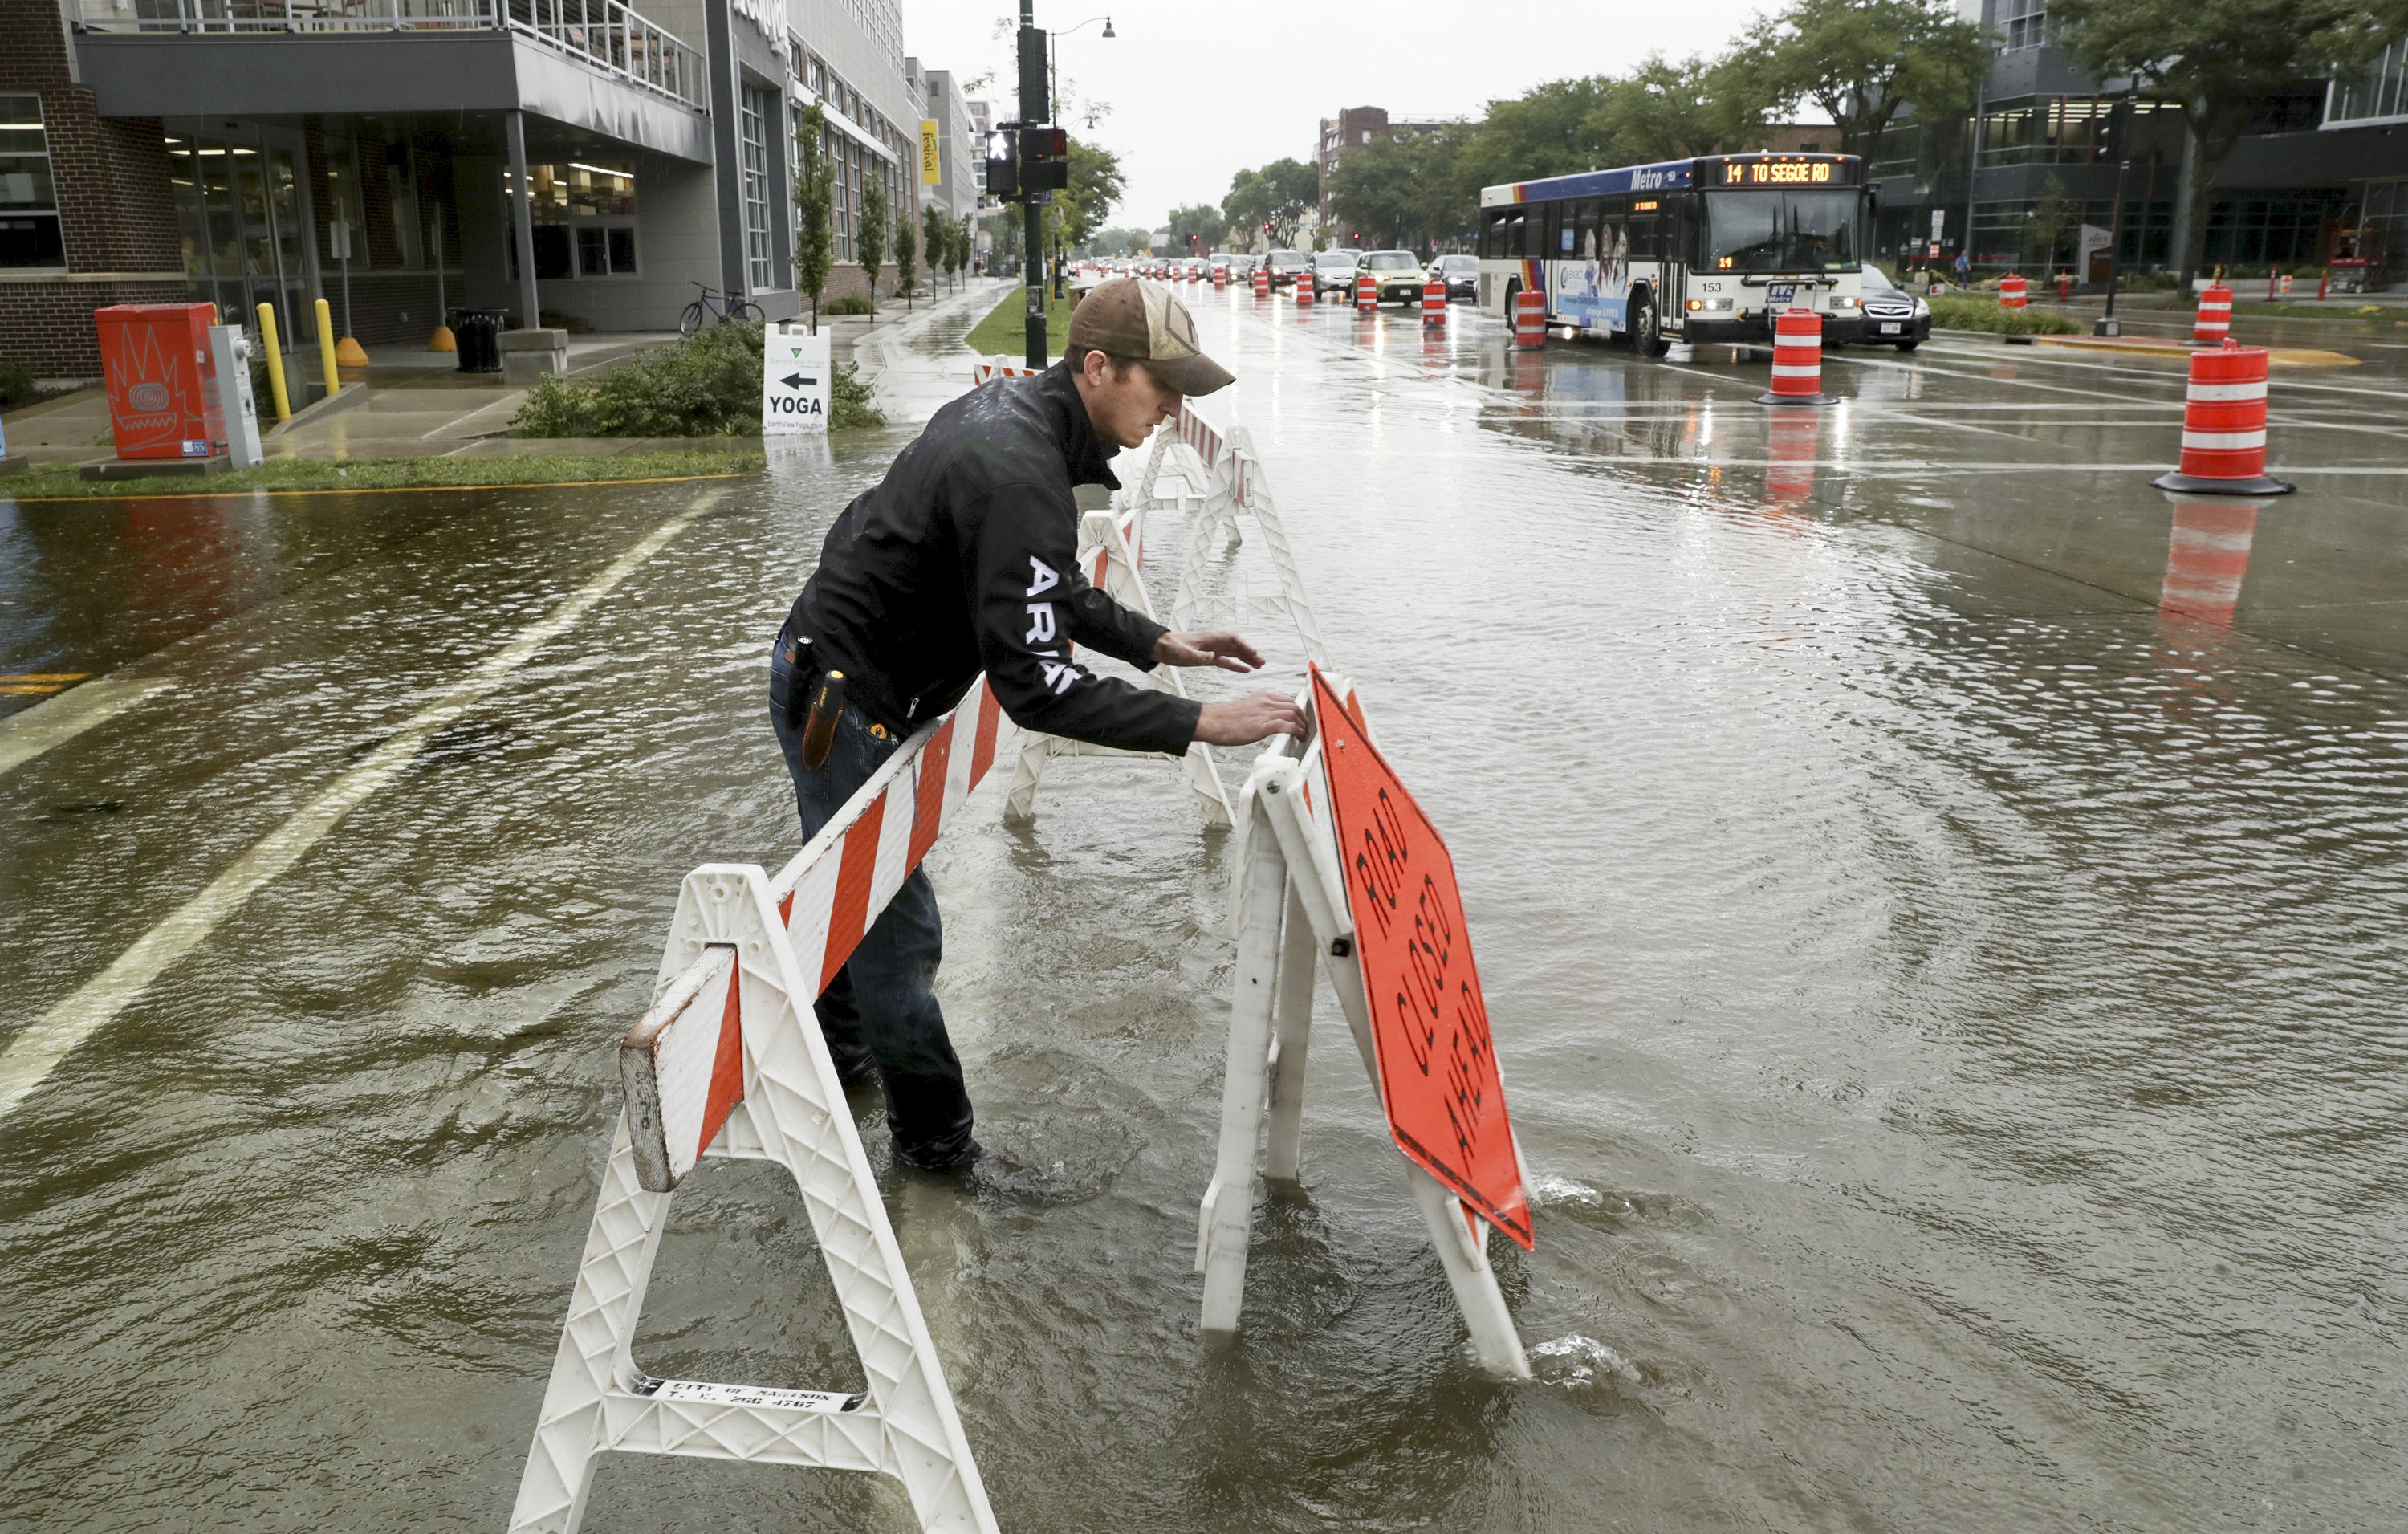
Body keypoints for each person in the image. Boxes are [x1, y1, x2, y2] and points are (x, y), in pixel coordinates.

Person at [768, 277, 1305, 1173]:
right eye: (1161, 384)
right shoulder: (1017, 467)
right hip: (841, 700)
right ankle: (936, 1155)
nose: (1175, 406)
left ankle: (836, 1063)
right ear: (1098, 369)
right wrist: (1201, 721)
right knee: (900, 940)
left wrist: (1157, 640)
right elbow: (1042, 691)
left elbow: (1043, 585)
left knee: (855, 909)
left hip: (843, 675)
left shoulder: (1025, 421)